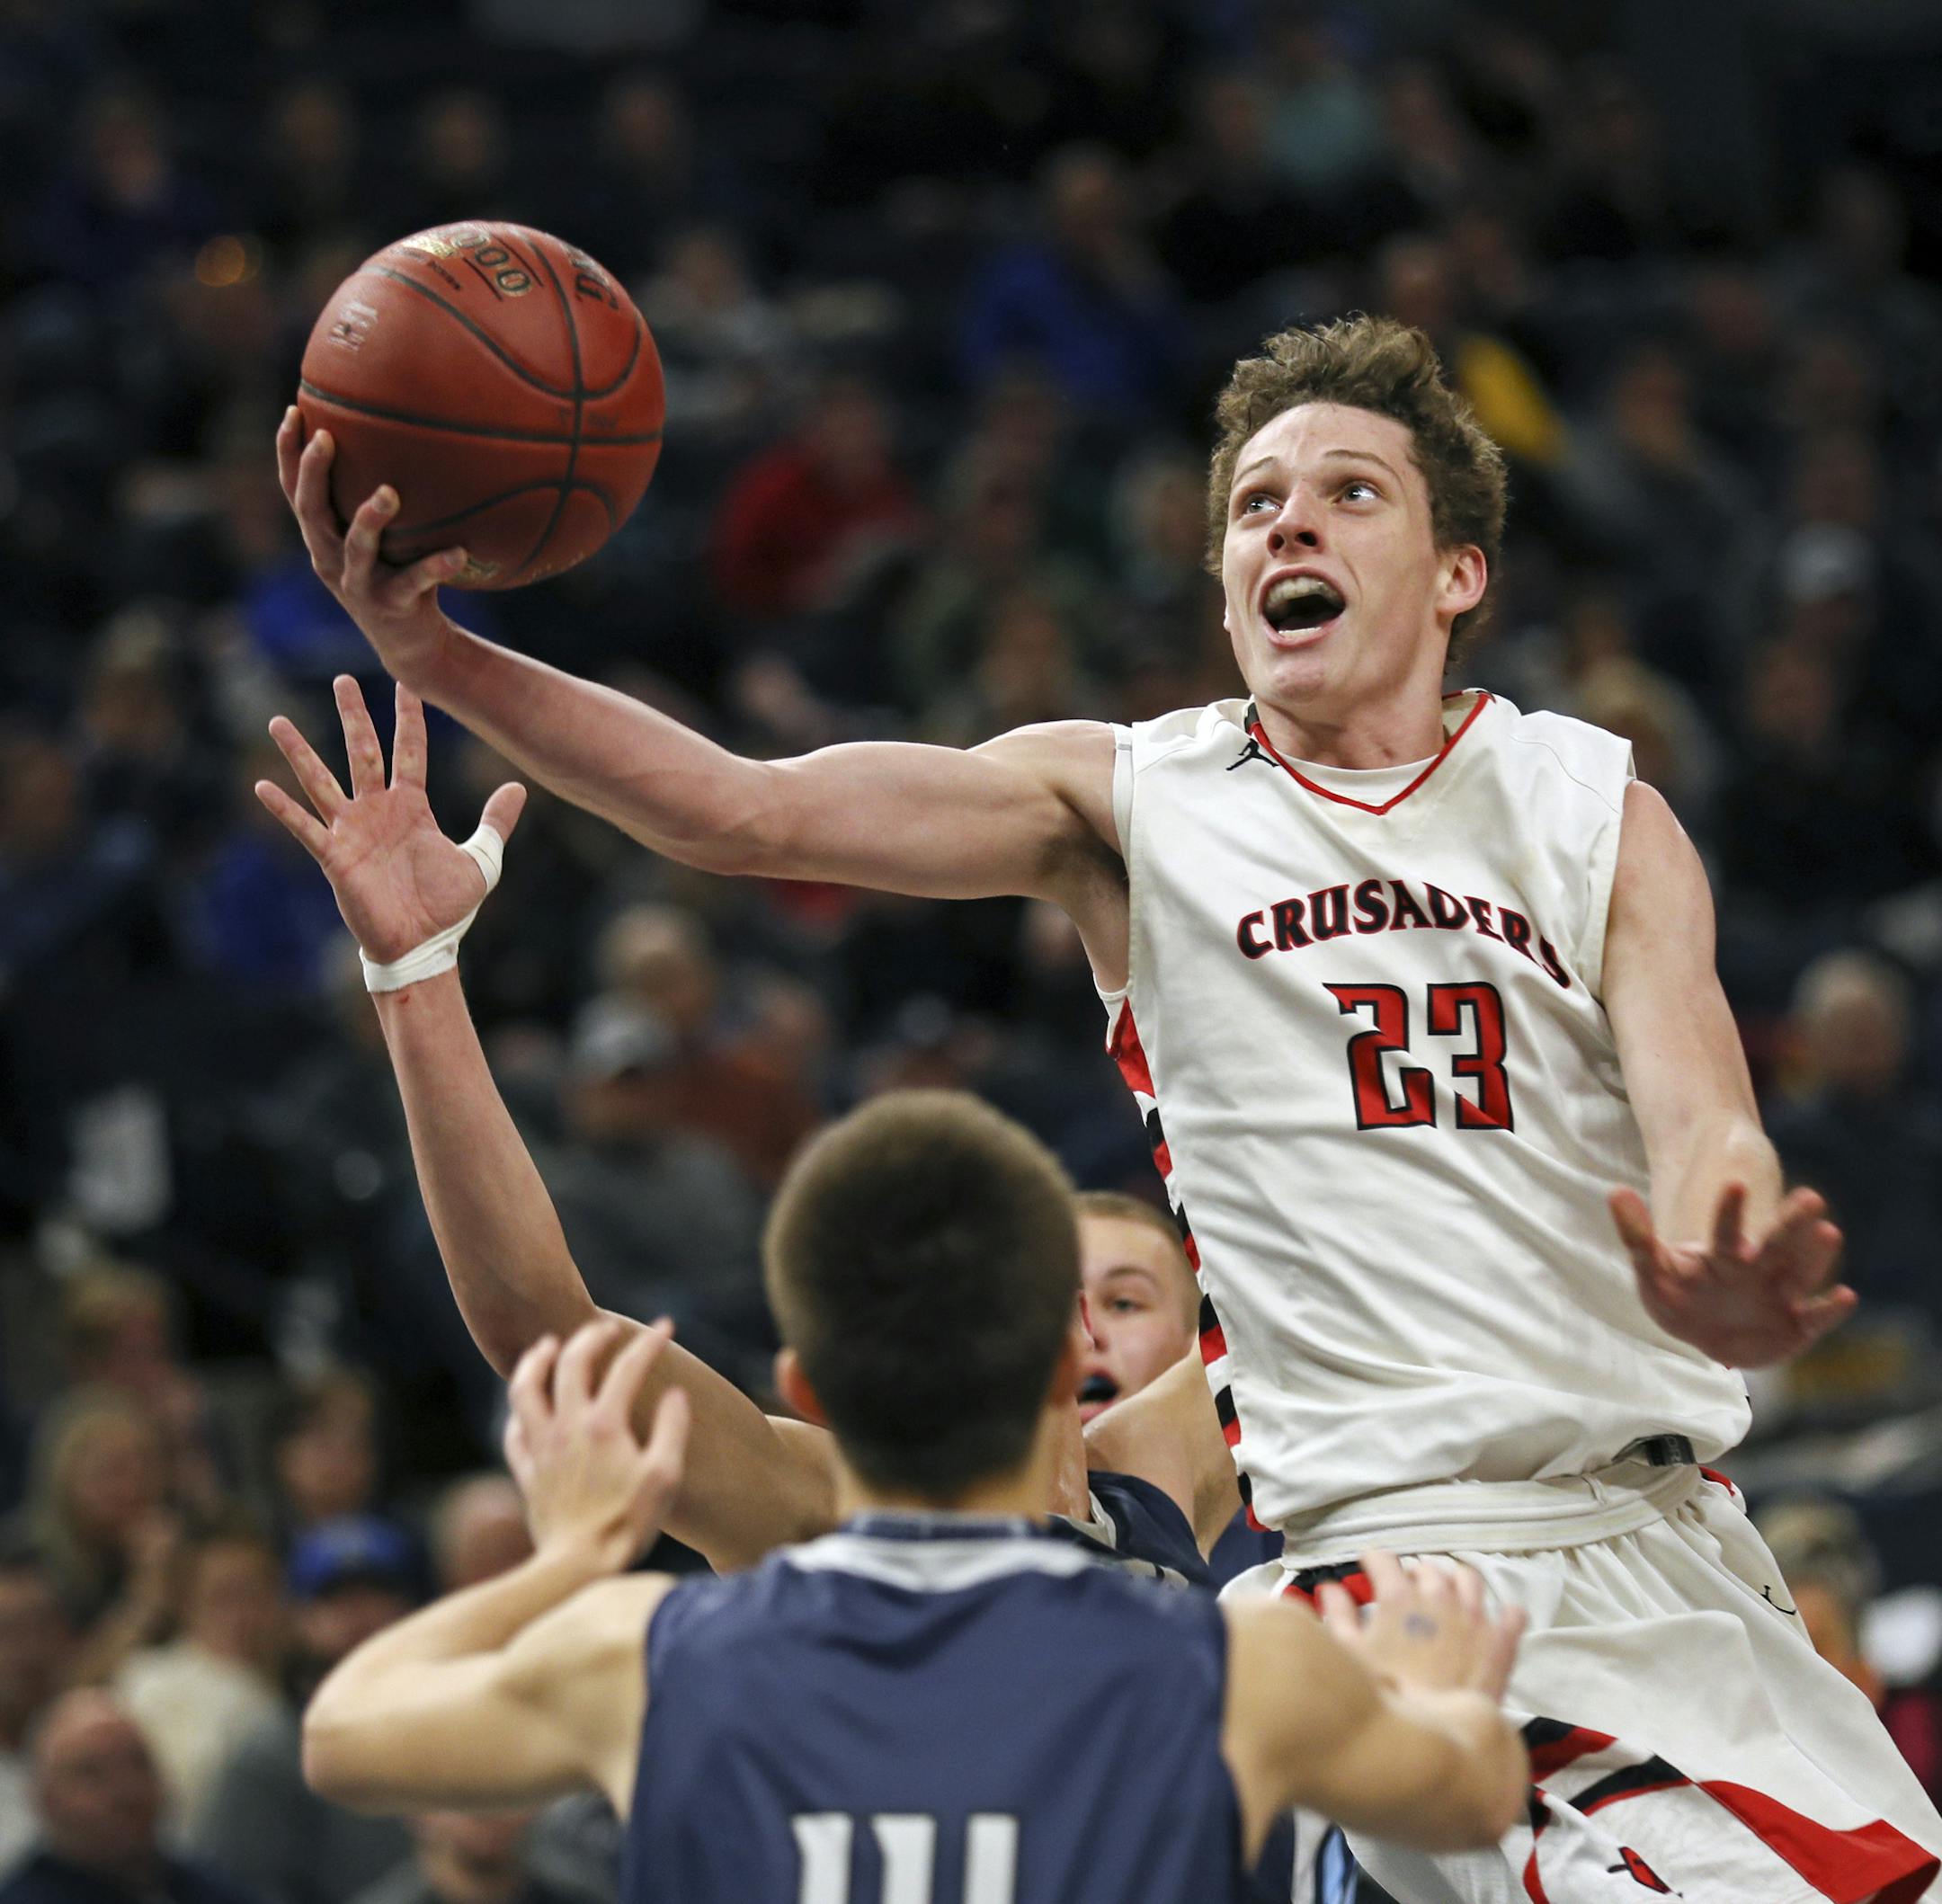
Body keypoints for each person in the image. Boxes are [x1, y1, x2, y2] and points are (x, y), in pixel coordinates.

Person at [272, 308, 1939, 1898]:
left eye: (1350, 492)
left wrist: (1726, 1239)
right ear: (1225, 585)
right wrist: (438, 652)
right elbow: (747, 813)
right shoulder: (1136, 798)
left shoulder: (1589, 800)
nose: (1290, 524)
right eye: (1255, 505)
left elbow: (1708, 1108)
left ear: (1455, 574)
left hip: (1678, 1540)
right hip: (1411, 1561)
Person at [299, 1099, 1529, 1901]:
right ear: (1060, 1363)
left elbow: (346, 1728)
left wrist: (572, 1555)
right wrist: (1429, 1688)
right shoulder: (1250, 1664)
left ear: (806, 1379)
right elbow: (1474, 1787)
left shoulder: (651, 1656)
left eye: (1128, 1294)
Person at [250, 682, 1217, 1593]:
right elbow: (544, 1328)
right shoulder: (822, 1511)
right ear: (833, 1373)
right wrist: (415, 980)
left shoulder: (1149, 1475)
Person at [0, 1692, 258, 1904]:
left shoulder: (214, 1889)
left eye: (139, 1763)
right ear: (43, 1798)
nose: (126, 1790)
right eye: (91, 1773)